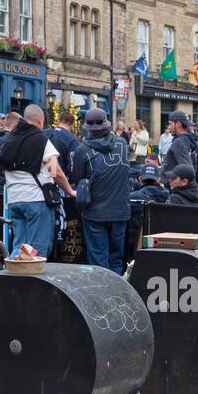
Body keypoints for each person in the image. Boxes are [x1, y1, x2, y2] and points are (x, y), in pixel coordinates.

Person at [0, 104, 74, 257]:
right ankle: (32, 281)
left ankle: (14, 278)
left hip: (14, 201)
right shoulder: (41, 140)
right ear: (40, 121)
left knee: (19, 248)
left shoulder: (9, 139)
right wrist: (70, 190)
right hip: (36, 201)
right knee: (36, 251)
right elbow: (55, 171)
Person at [71, 108, 131, 274]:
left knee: (98, 260)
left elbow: (78, 180)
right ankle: (117, 294)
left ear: (87, 128)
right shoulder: (122, 144)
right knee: (116, 259)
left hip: (95, 213)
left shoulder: (82, 150)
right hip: (120, 211)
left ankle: (102, 296)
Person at [44, 111, 81, 185]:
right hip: (60, 182)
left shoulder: (44, 133)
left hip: (41, 180)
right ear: (72, 125)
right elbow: (72, 166)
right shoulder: (72, 140)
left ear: (58, 120)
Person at [160, 110, 196, 176]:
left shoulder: (179, 142)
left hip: (175, 185)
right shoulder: (186, 140)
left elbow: (188, 170)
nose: (169, 127)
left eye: (170, 124)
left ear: (178, 124)